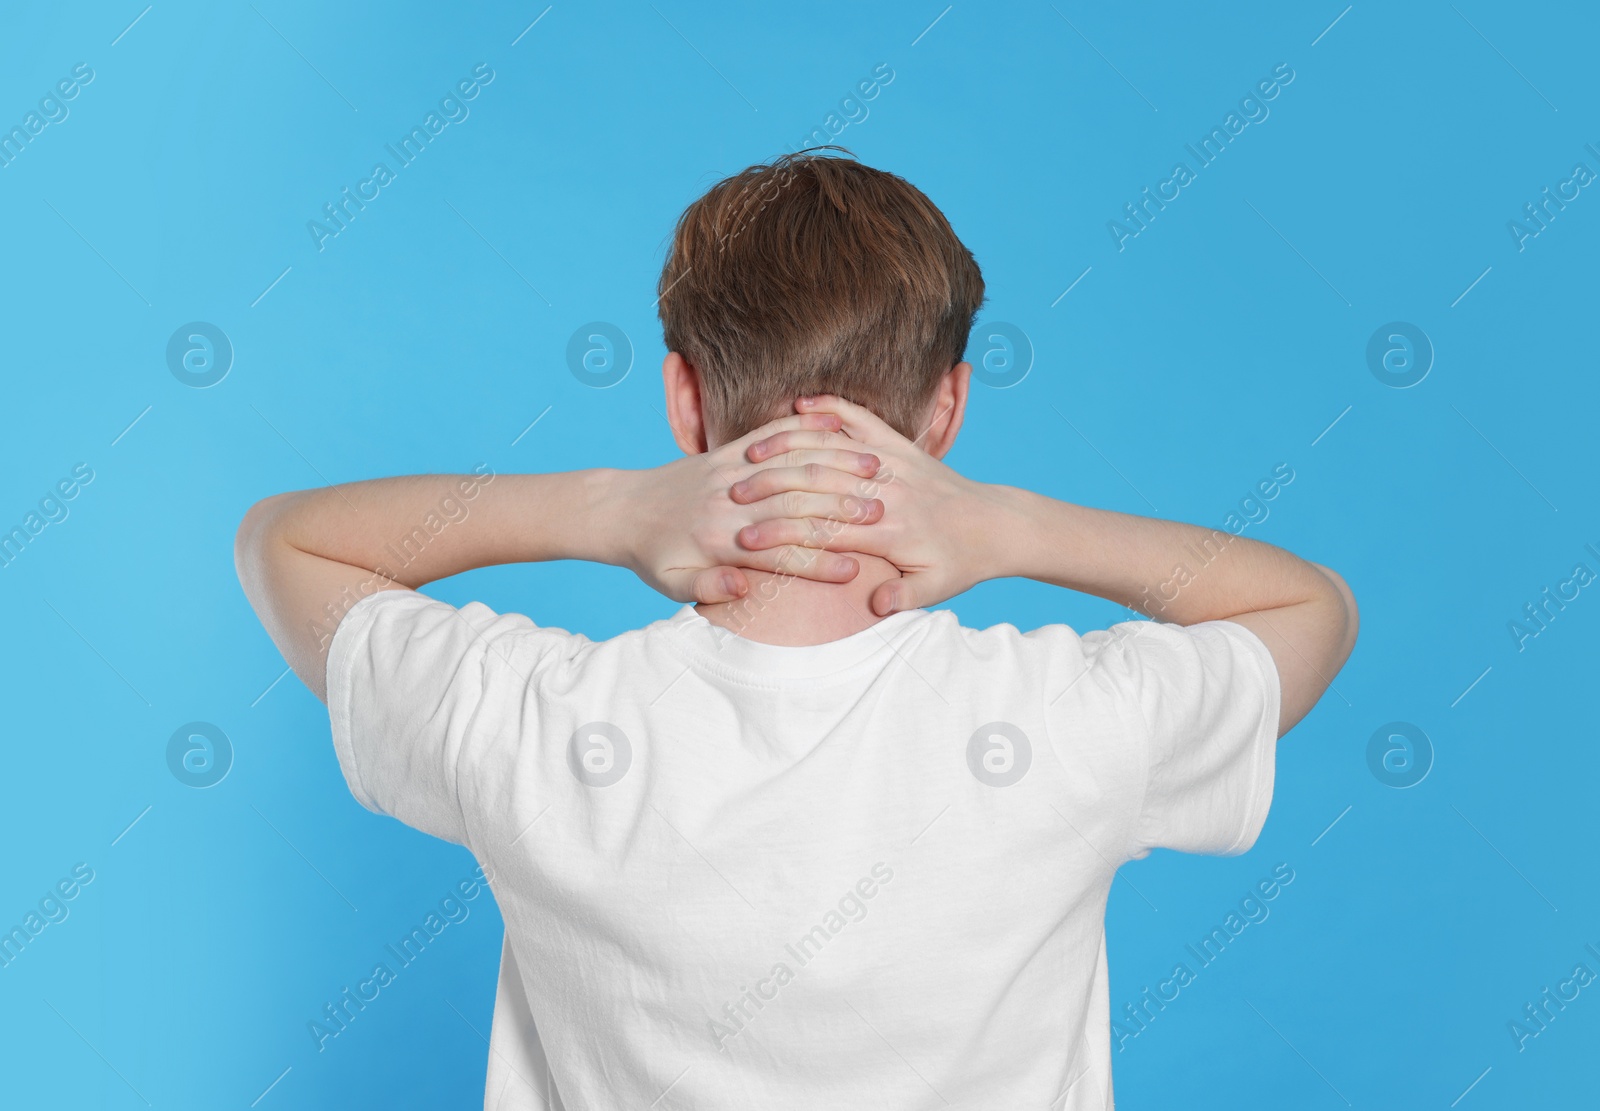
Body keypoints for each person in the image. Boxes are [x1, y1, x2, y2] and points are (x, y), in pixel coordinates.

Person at [235, 149, 1357, 1109]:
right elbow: (1310, 607)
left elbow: (282, 542)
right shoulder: (1068, 722)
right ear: (949, 409)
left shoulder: (528, 721)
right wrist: (1010, 527)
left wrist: (609, 507)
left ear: (683, 401)